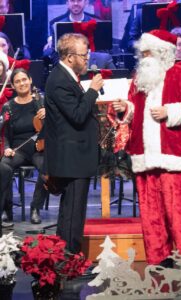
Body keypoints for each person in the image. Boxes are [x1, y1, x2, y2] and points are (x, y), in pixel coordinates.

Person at [112, 29, 181, 268]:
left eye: (148, 53)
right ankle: (158, 257)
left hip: (174, 154)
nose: (144, 58)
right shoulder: (139, 79)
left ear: (162, 52)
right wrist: (124, 107)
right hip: (144, 155)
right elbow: (134, 109)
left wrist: (171, 112)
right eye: (142, 53)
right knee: (151, 212)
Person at [44, 33, 103, 253]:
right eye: (83, 54)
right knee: (72, 211)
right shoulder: (59, 80)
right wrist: (93, 91)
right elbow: (77, 115)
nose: (87, 58)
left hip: (76, 156)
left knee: (72, 210)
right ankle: (70, 258)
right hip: (71, 157)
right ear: (70, 57)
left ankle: (67, 256)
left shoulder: (66, 76)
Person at [0, 68, 48, 224]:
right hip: (18, 150)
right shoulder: (8, 107)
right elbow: (5, 134)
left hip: (38, 149)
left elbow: (55, 127)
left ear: (30, 80)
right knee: (3, 166)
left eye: (24, 80)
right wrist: (7, 147)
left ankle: (35, 208)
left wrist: (49, 115)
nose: (22, 84)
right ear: (13, 86)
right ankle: (7, 209)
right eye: (17, 81)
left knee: (47, 167)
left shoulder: (40, 102)